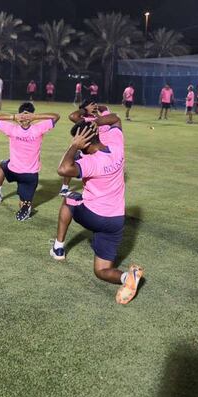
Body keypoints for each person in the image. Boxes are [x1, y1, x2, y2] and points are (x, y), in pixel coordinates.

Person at [50, 115, 143, 305]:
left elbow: (63, 169)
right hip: (116, 221)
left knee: (69, 199)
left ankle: (58, 248)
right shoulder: (116, 144)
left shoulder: (91, 162)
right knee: (101, 271)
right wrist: (96, 122)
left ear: (83, 143)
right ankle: (128, 277)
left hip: (94, 216)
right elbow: (116, 119)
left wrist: (74, 146)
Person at [0, 102, 60, 221]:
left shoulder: (12, 128)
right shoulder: (39, 128)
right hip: (30, 175)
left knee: (2, 165)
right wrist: (35, 117)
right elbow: (56, 116)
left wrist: (13, 117)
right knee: (24, 203)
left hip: (13, 170)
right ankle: (25, 204)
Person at [60, 101, 113, 197]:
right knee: (72, 161)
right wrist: (85, 109)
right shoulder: (85, 120)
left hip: (103, 150)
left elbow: (105, 108)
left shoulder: (103, 118)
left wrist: (96, 107)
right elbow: (72, 116)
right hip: (89, 149)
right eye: (91, 105)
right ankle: (64, 188)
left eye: (94, 104)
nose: (93, 107)